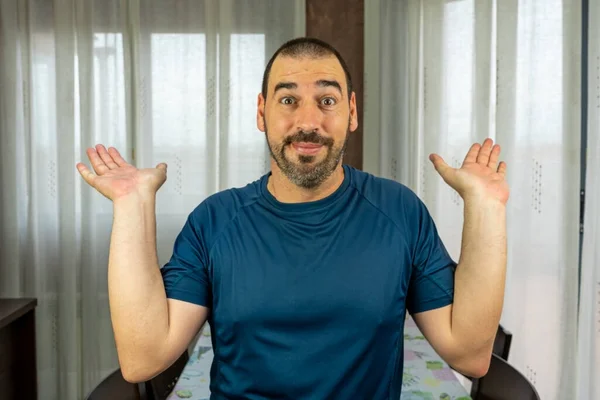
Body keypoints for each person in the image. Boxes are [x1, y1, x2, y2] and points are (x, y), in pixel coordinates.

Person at [76, 37, 509, 399]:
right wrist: (132, 205)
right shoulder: (214, 221)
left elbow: (468, 355)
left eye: (326, 99)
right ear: (262, 112)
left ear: (351, 112)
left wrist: (486, 206)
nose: (308, 121)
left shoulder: (399, 211)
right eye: (288, 100)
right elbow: (142, 359)